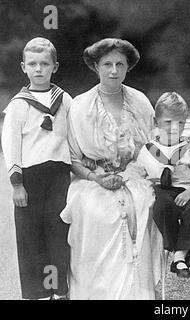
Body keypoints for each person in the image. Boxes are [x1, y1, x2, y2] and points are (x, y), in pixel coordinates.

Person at [59, 38, 163, 299]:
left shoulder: (139, 101)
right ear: (96, 67)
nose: (114, 71)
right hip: (93, 179)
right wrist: (97, 177)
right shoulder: (80, 106)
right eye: (107, 64)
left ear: (128, 67)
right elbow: (72, 159)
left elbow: (154, 147)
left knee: (144, 203)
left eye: (120, 64)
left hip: (133, 176)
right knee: (93, 210)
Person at [1, 37, 72, 300]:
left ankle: (59, 290)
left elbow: (75, 135)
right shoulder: (18, 104)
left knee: (59, 233)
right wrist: (17, 184)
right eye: (32, 64)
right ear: (23, 67)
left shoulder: (64, 100)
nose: (39, 69)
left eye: (44, 63)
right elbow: (11, 145)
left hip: (59, 177)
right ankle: (38, 294)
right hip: (30, 179)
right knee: (31, 237)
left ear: (55, 66)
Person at [135, 92, 190, 279]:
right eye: (168, 122)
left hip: (189, 189)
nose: (174, 128)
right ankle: (182, 253)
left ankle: (178, 256)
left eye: (180, 123)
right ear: (156, 122)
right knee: (160, 206)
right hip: (161, 190)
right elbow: (139, 173)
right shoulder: (148, 150)